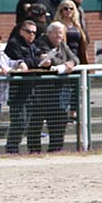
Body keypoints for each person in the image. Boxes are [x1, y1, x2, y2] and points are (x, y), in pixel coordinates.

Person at [29, 22, 79, 153]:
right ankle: (35, 152)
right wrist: (64, 64)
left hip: (60, 94)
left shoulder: (62, 44)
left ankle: (55, 151)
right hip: (41, 93)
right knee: (35, 125)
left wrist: (71, 62)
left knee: (58, 125)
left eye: (61, 33)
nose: (59, 36)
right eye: (56, 32)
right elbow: (47, 61)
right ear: (49, 32)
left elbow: (75, 58)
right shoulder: (41, 43)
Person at [3, 20, 43, 154]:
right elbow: (23, 61)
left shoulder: (34, 45)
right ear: (21, 31)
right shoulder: (14, 44)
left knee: (34, 122)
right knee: (20, 122)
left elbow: (37, 60)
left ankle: (34, 150)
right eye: (29, 31)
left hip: (33, 90)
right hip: (18, 91)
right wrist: (37, 62)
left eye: (34, 32)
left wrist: (40, 61)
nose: (32, 35)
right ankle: (12, 149)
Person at [54, 0, 88, 64]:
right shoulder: (57, 25)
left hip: (78, 54)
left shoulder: (77, 25)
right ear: (61, 11)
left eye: (71, 8)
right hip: (65, 56)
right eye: (66, 8)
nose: (68, 10)